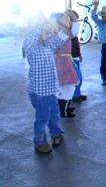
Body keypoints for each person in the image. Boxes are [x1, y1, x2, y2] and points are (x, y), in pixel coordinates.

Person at [23, 14, 72, 154]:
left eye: (50, 33)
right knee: (43, 118)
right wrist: (44, 23)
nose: (50, 34)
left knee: (54, 114)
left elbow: (60, 39)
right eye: (47, 32)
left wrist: (65, 27)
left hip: (50, 90)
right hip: (39, 93)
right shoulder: (31, 47)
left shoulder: (47, 45)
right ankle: (40, 142)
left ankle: (56, 134)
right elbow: (33, 34)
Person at [53, 11, 79, 118]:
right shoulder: (62, 33)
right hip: (62, 61)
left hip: (63, 60)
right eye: (65, 18)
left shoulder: (62, 31)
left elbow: (75, 28)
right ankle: (63, 110)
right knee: (67, 86)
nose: (68, 20)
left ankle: (64, 107)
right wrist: (70, 18)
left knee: (65, 86)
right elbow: (75, 29)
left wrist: (70, 16)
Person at [70, 10, 87, 103]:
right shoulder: (69, 33)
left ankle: (77, 94)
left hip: (75, 57)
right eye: (74, 20)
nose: (77, 22)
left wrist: (79, 54)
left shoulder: (74, 34)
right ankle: (75, 96)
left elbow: (77, 45)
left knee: (78, 77)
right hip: (70, 58)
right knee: (77, 78)